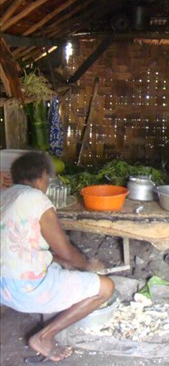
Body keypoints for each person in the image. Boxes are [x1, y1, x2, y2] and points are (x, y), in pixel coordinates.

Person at [0, 151, 114, 362]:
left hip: (2, 289)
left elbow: (26, 246)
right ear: (43, 175)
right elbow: (66, 253)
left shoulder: (4, 195)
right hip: (24, 290)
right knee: (106, 287)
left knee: (50, 264)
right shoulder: (36, 199)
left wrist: (60, 261)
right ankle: (43, 337)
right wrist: (87, 265)